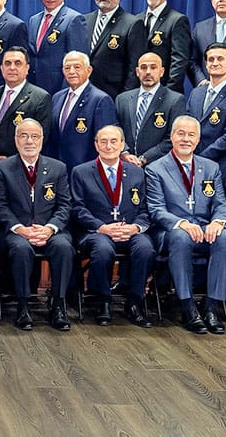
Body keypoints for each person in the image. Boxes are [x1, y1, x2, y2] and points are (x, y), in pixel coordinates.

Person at [145, 115, 226, 335]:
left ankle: (212, 306)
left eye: (191, 135)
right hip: (171, 232)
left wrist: (217, 222)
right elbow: (157, 210)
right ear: (172, 136)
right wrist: (182, 224)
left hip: (205, 229)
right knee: (180, 237)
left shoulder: (211, 168)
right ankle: (188, 306)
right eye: (181, 133)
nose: (186, 139)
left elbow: (221, 204)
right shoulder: (156, 169)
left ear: (198, 139)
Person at [0, 118, 73, 331]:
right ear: (16, 140)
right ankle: (23, 305)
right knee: (20, 248)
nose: (29, 141)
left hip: (50, 230)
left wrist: (49, 228)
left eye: (34, 136)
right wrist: (21, 229)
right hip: (17, 230)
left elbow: (64, 205)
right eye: (24, 136)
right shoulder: (3, 169)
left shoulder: (58, 168)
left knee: (63, 247)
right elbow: (0, 206)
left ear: (42, 140)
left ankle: (58, 304)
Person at [69, 125, 157, 327]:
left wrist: (135, 228)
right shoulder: (81, 172)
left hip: (129, 230)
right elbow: (77, 208)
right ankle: (103, 301)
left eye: (114, 141)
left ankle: (135, 302)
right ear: (96, 145)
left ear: (122, 144)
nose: (109, 146)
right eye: (103, 141)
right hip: (96, 231)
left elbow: (145, 209)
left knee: (145, 248)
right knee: (102, 249)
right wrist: (102, 227)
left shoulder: (137, 173)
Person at [187, 42, 226, 177]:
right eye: (211, 59)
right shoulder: (196, 93)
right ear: (205, 63)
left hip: (220, 166)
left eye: (220, 59)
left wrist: (201, 158)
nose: (215, 63)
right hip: (191, 164)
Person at [47, 51, 117, 167]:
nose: (72, 71)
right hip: (58, 167)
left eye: (77, 67)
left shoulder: (100, 99)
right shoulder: (57, 97)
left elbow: (104, 141)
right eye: (67, 68)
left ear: (88, 70)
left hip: (85, 169)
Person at [81, 0, 145, 99]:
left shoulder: (132, 24)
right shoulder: (83, 20)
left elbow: (134, 68)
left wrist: (125, 99)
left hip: (114, 95)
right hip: (84, 94)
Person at [116, 52, 186, 167]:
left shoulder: (175, 100)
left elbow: (173, 137)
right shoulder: (122, 99)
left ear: (162, 72)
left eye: (153, 67)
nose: (148, 72)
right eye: (143, 67)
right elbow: (116, 129)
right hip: (126, 166)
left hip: (158, 166)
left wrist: (145, 158)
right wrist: (124, 152)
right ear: (138, 72)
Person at [0, 47, 52, 162]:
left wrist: (10, 160)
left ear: (27, 68)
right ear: (1, 68)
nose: (12, 68)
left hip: (19, 167)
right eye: (7, 63)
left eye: (18, 63)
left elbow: (40, 138)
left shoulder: (40, 98)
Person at [27, 0, 87, 95]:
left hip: (58, 88)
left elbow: (77, 60)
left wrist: (66, 91)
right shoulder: (34, 20)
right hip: (34, 88)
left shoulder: (74, 19)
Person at [138, 0, 191, 93]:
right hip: (139, 91)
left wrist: (168, 92)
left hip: (166, 92)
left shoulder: (177, 20)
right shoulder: (136, 20)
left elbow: (179, 60)